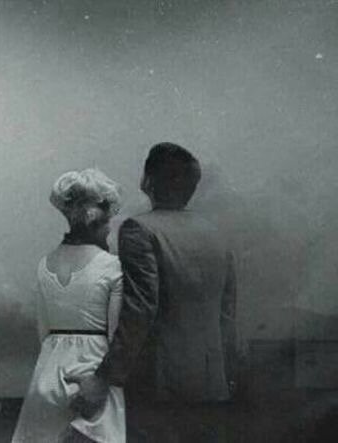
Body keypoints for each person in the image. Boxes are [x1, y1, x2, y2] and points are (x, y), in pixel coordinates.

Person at [71, 143, 237, 441]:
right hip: (212, 386)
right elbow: (227, 315)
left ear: (147, 181)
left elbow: (140, 310)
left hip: (158, 388)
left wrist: (103, 378)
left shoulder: (139, 229)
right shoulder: (217, 234)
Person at [12, 168, 126, 443]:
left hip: (47, 379)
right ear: (97, 218)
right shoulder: (112, 266)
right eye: (108, 221)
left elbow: (43, 333)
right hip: (93, 377)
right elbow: (116, 337)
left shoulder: (44, 264)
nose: (110, 228)